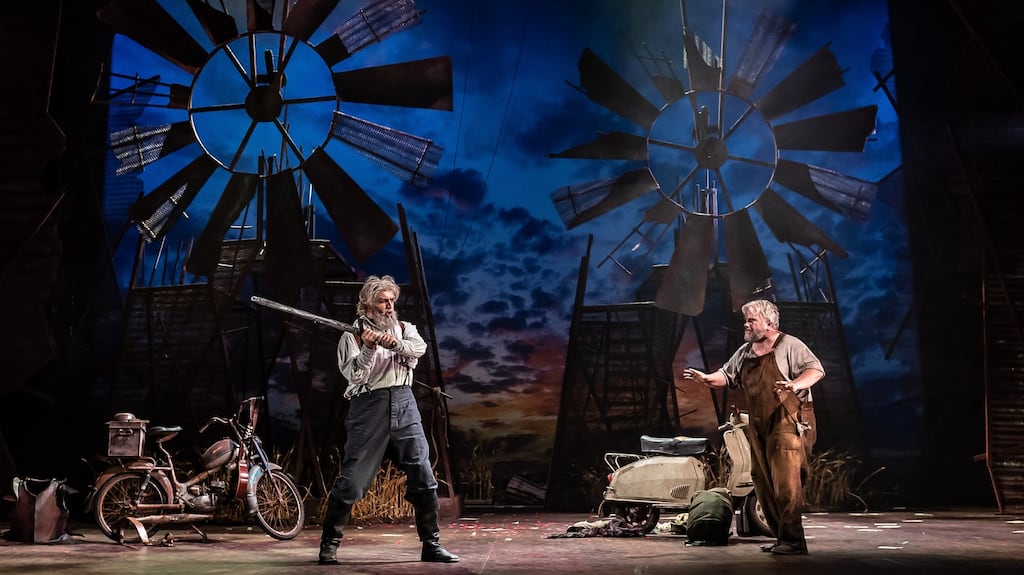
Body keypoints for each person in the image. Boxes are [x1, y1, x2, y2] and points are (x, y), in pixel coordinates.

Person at [318, 275, 459, 565]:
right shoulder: (352, 337)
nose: (389, 306)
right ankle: (329, 544)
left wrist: (394, 344)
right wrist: (369, 348)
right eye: (383, 301)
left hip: (405, 402)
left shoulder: (406, 329)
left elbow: (418, 350)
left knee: (423, 476)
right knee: (353, 482)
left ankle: (431, 544)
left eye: (392, 300)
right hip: (369, 406)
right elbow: (356, 376)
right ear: (368, 303)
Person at [682, 299, 823, 556]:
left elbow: (816, 371)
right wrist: (705, 378)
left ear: (769, 323)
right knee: (762, 481)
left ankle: (793, 541)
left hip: (788, 421)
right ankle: (782, 537)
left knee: (786, 484)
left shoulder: (790, 346)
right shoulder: (746, 351)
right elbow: (725, 375)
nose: (745, 325)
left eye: (751, 320)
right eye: (745, 320)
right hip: (759, 423)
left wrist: (795, 384)